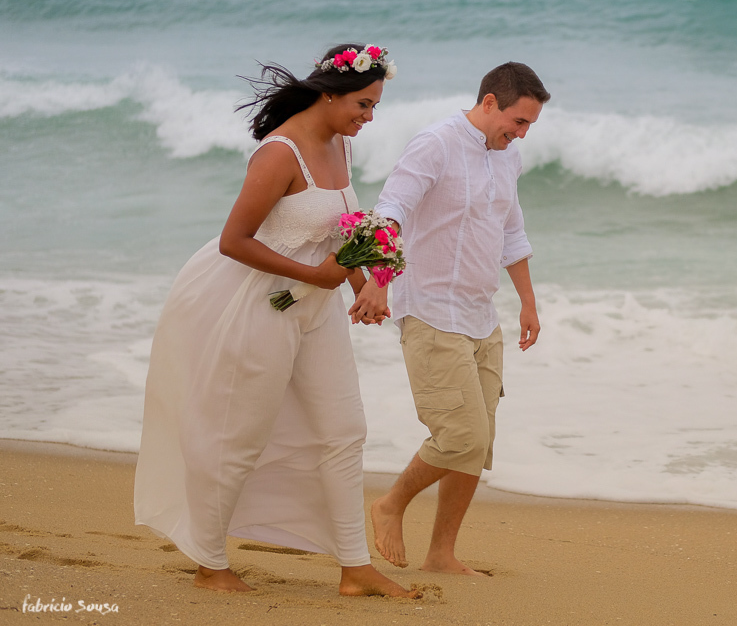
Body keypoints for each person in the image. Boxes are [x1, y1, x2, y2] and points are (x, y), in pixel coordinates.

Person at [134, 44, 415, 598]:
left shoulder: (340, 145)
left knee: (344, 430)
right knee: (238, 436)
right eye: (363, 103)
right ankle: (209, 564)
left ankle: (355, 568)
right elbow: (233, 241)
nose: (369, 117)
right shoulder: (279, 153)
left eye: (375, 105)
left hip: (316, 308)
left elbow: (340, 228)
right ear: (329, 93)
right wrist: (318, 278)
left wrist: (363, 285)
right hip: (258, 304)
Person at [351, 61, 549, 575]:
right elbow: (391, 209)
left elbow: (511, 231)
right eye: (519, 121)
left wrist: (527, 300)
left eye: (530, 125)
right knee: (461, 436)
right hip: (432, 311)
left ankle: (441, 554)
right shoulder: (435, 144)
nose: (522, 133)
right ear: (489, 103)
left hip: (483, 316)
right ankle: (390, 502)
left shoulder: (509, 158)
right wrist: (378, 279)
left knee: (477, 444)